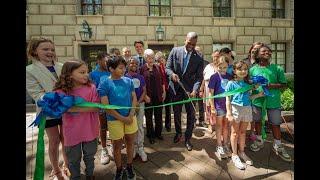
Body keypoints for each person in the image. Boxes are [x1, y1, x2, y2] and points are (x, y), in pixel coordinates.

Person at [26, 37, 70, 180]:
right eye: (45, 49)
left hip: (65, 110)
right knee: (54, 140)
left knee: (66, 138)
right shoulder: (29, 70)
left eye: (51, 49)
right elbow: (36, 93)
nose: (50, 52)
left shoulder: (61, 66)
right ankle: (56, 169)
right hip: (48, 111)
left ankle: (67, 164)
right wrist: (51, 98)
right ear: (35, 51)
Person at [53, 60, 100, 180]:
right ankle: (75, 177)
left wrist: (72, 108)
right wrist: (83, 107)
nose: (86, 75)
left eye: (87, 72)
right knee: (73, 159)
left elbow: (96, 107)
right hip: (72, 133)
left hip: (90, 130)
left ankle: (90, 175)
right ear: (69, 74)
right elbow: (59, 109)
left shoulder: (91, 88)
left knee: (90, 156)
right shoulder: (61, 91)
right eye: (82, 72)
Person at [97, 56, 138, 180]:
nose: (124, 70)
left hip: (130, 118)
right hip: (114, 120)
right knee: (116, 146)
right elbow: (106, 106)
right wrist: (122, 118)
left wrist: (131, 114)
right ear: (111, 68)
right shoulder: (104, 83)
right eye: (120, 68)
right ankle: (119, 168)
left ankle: (129, 166)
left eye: (124, 67)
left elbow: (134, 98)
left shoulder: (128, 81)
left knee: (130, 143)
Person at [249, 45, 292, 162]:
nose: (267, 52)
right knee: (257, 120)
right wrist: (253, 85)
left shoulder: (277, 68)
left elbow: (283, 84)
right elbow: (249, 83)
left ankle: (278, 145)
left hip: (273, 100)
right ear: (257, 55)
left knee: (275, 123)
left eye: (269, 51)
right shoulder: (252, 69)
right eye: (264, 51)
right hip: (257, 100)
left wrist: (270, 85)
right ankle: (259, 140)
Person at [166, 32, 204, 151]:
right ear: (185, 40)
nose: (191, 46)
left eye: (194, 44)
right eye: (189, 43)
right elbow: (167, 68)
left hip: (190, 91)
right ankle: (178, 133)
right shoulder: (175, 51)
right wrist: (172, 75)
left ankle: (188, 138)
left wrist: (195, 90)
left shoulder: (199, 57)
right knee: (176, 114)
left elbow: (199, 77)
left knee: (191, 115)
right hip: (176, 89)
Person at [225, 60, 264, 170]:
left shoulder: (248, 84)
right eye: (240, 69)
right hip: (235, 109)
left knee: (242, 132)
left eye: (245, 69)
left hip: (247, 108)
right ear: (234, 71)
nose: (243, 71)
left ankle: (242, 152)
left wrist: (259, 95)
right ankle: (234, 154)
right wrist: (229, 113)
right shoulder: (231, 83)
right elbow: (227, 99)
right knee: (234, 133)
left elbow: (249, 98)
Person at [89, 52, 112, 165]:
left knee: (113, 126)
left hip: (113, 105)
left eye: (108, 60)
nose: (107, 62)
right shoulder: (93, 74)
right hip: (101, 106)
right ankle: (104, 149)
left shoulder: (111, 71)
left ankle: (112, 145)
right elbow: (91, 91)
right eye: (105, 60)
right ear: (99, 61)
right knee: (102, 128)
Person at [208, 55, 232, 159]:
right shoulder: (214, 77)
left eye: (224, 67)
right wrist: (212, 107)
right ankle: (219, 145)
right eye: (220, 67)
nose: (222, 69)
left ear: (228, 66)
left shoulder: (230, 76)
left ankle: (225, 144)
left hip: (228, 106)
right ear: (216, 65)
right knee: (219, 126)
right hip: (218, 106)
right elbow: (211, 93)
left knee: (226, 126)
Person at [125, 57, 148, 162]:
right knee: (130, 127)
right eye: (131, 63)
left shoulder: (141, 77)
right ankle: (132, 147)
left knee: (139, 126)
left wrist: (138, 103)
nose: (133, 65)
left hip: (140, 104)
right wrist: (133, 104)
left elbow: (144, 91)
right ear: (127, 65)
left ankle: (140, 147)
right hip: (129, 105)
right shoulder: (125, 77)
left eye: (136, 63)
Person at [140, 49, 166, 144]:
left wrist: (164, 92)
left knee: (159, 115)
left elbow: (162, 80)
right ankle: (150, 135)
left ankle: (158, 133)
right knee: (149, 117)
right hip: (148, 96)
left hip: (158, 95)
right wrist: (145, 96)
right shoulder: (142, 69)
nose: (151, 60)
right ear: (145, 58)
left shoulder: (158, 67)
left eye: (152, 57)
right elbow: (140, 83)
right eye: (148, 58)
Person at [242, 42, 264, 142]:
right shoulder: (245, 61)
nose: (255, 50)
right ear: (251, 49)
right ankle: (243, 132)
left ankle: (252, 132)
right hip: (245, 89)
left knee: (254, 114)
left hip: (256, 91)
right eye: (254, 48)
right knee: (244, 111)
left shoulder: (261, 63)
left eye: (258, 49)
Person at [201, 50, 219, 132]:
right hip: (208, 90)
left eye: (218, 56)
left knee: (217, 107)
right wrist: (201, 89)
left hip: (218, 91)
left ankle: (217, 125)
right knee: (208, 108)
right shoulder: (208, 66)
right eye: (215, 56)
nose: (216, 58)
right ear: (212, 56)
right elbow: (204, 79)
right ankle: (210, 125)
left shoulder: (222, 66)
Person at [155, 51, 172, 132]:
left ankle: (168, 125)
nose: (162, 61)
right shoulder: (157, 67)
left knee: (168, 108)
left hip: (168, 90)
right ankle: (159, 126)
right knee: (160, 109)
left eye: (163, 59)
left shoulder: (168, 67)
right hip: (160, 91)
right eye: (159, 59)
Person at [194, 46, 208, 128]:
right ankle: (193, 120)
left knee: (201, 105)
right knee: (192, 105)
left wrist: (202, 88)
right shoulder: (191, 62)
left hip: (203, 88)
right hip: (193, 88)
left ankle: (202, 120)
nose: (197, 53)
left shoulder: (206, 63)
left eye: (199, 51)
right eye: (196, 51)